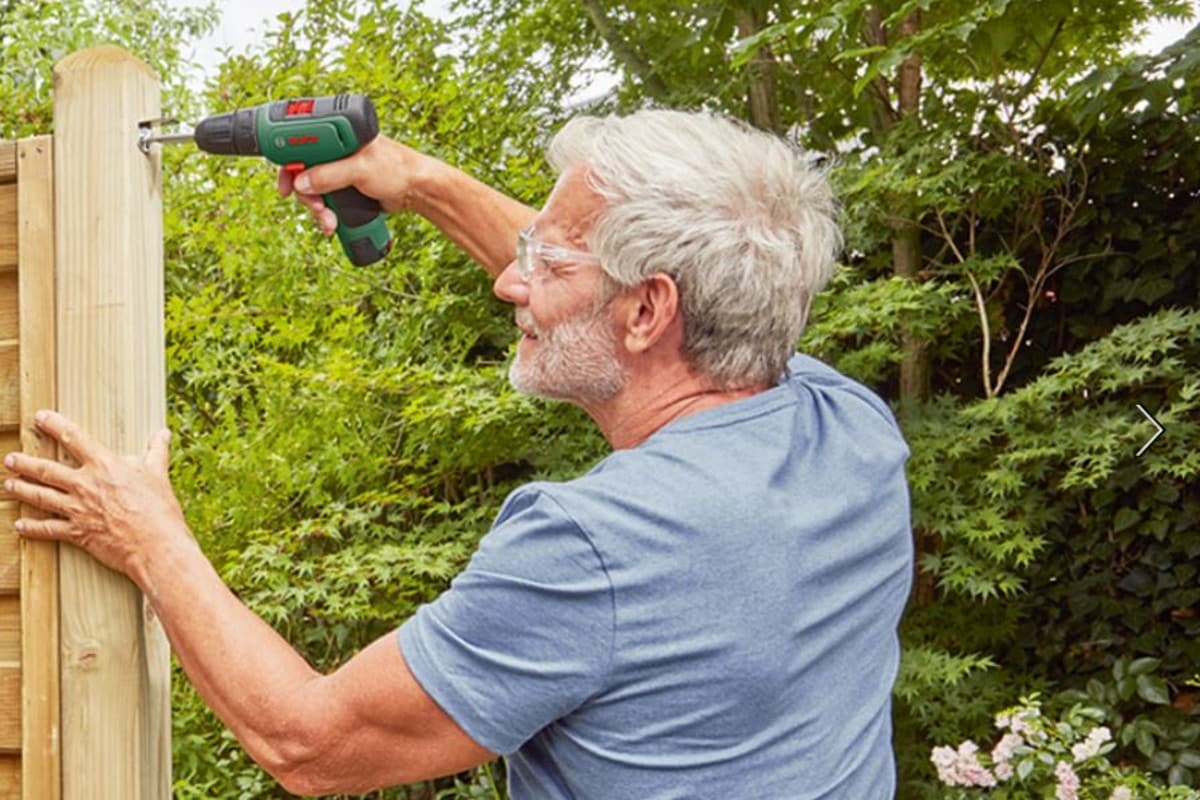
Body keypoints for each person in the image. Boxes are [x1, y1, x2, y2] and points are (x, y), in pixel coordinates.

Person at [4, 109, 913, 798]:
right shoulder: (846, 425)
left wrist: (147, 534)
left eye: (546, 266)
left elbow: (310, 744)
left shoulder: (599, 545)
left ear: (648, 311)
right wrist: (416, 180)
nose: (510, 280)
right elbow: (632, 286)